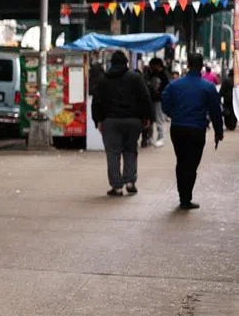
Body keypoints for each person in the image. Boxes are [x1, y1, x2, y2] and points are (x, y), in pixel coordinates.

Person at [161, 52, 224, 210]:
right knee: (191, 164)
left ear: (187, 65)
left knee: (181, 161)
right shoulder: (208, 87)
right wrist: (218, 131)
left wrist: (173, 114)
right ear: (201, 66)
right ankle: (186, 197)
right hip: (196, 130)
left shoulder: (174, 85)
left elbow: (165, 101)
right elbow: (215, 111)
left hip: (178, 129)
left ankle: (182, 196)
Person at [91, 51, 152, 197]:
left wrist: (98, 120)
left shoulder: (104, 79)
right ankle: (130, 181)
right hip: (133, 121)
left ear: (111, 63)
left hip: (110, 121)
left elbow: (96, 102)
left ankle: (117, 187)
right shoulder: (135, 77)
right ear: (126, 63)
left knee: (113, 153)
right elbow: (145, 98)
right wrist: (147, 117)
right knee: (130, 150)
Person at [146, 57, 170, 147]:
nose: (151, 67)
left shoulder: (164, 74)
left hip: (159, 100)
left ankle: (160, 138)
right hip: (151, 99)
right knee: (151, 118)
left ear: (157, 65)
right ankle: (150, 137)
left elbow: (167, 87)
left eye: (152, 65)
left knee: (159, 118)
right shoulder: (151, 73)